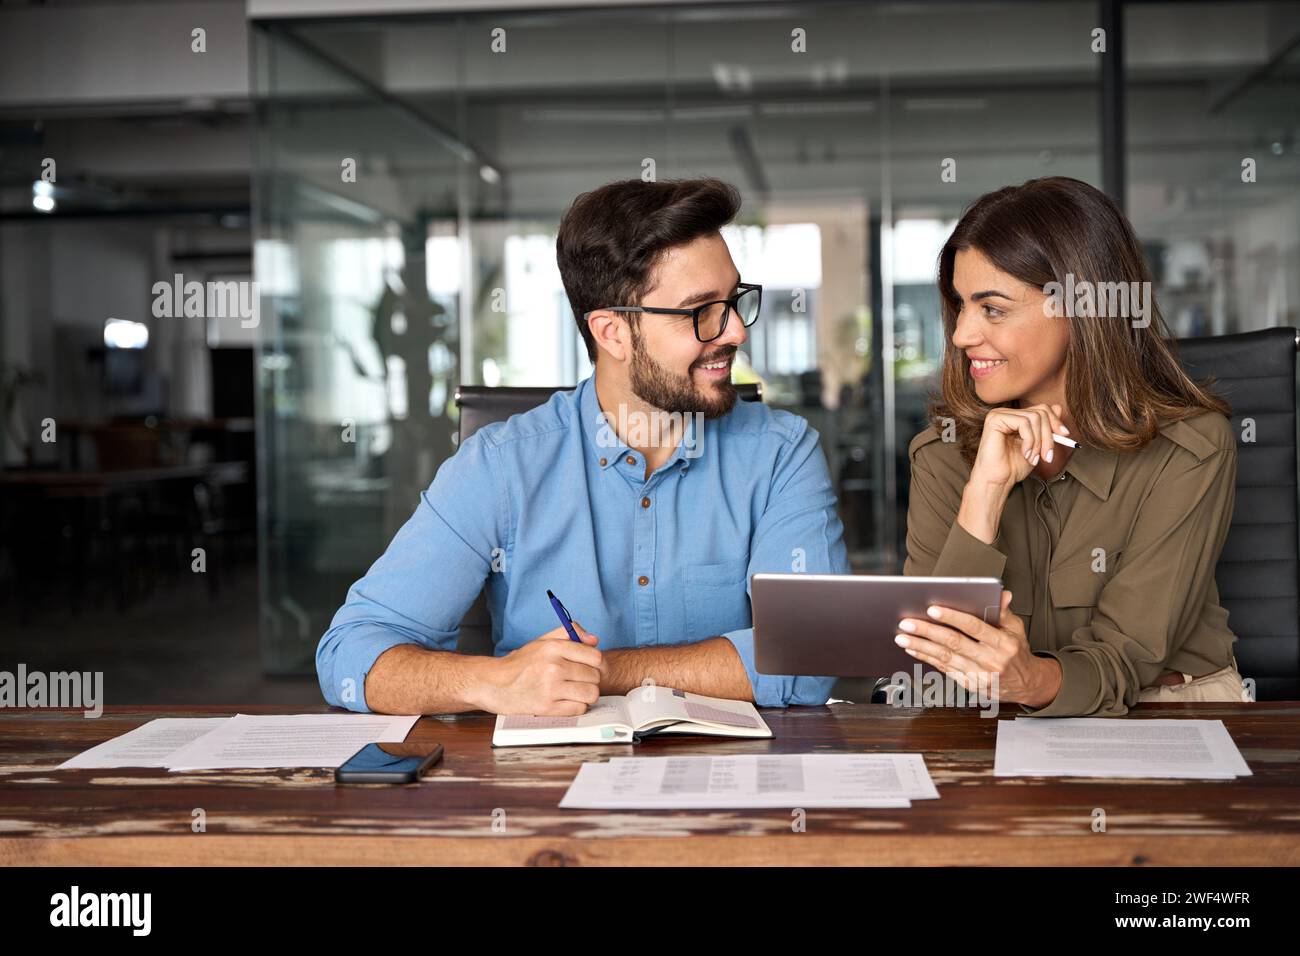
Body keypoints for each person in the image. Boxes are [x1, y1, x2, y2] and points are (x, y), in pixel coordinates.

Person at [317, 177, 848, 716]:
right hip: (546, 789)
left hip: (733, 786)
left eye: (733, 301)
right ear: (612, 333)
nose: (735, 331)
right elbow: (350, 655)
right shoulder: (501, 467)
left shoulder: (782, 453)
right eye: (701, 312)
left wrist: (601, 671)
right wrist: (494, 680)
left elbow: (811, 654)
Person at [901, 176, 1245, 717]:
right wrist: (985, 492)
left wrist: (1028, 679)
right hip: (989, 714)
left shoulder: (1191, 449)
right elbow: (927, 663)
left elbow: (1128, 657)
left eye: (991, 308)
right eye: (959, 305)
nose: (962, 333)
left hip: (1170, 707)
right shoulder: (942, 454)